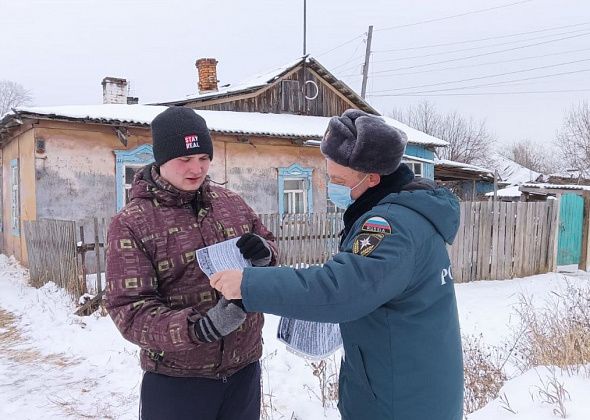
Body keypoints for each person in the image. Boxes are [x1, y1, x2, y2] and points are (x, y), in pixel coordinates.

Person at [210, 109, 464, 420]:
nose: (332, 189)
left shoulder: (391, 226)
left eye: (338, 180)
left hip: (400, 400)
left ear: (371, 177)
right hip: (403, 383)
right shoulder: (402, 211)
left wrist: (248, 284)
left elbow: (340, 289)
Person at [105, 106, 277, 420]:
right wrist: (198, 329)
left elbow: (269, 249)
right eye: (184, 159)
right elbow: (128, 309)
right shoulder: (133, 222)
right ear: (161, 159)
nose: (196, 168)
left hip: (244, 371)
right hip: (178, 381)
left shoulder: (231, 203)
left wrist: (264, 253)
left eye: (203, 158)